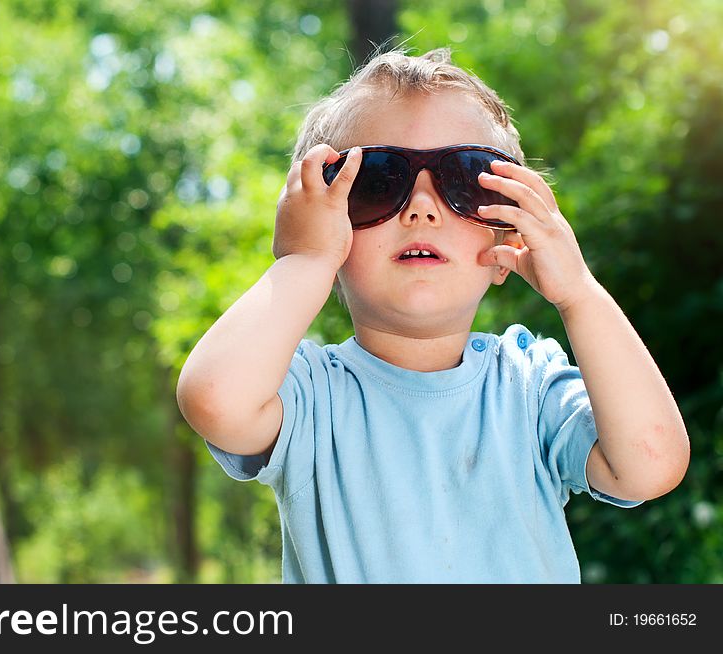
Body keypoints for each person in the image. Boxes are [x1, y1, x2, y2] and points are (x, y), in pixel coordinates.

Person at [175, 47, 690, 583]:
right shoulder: (307, 397)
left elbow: (649, 465)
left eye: (465, 180)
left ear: (507, 235)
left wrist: (580, 295)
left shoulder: (529, 385)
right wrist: (304, 261)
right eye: (376, 182)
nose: (422, 207)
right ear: (330, 232)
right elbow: (214, 400)